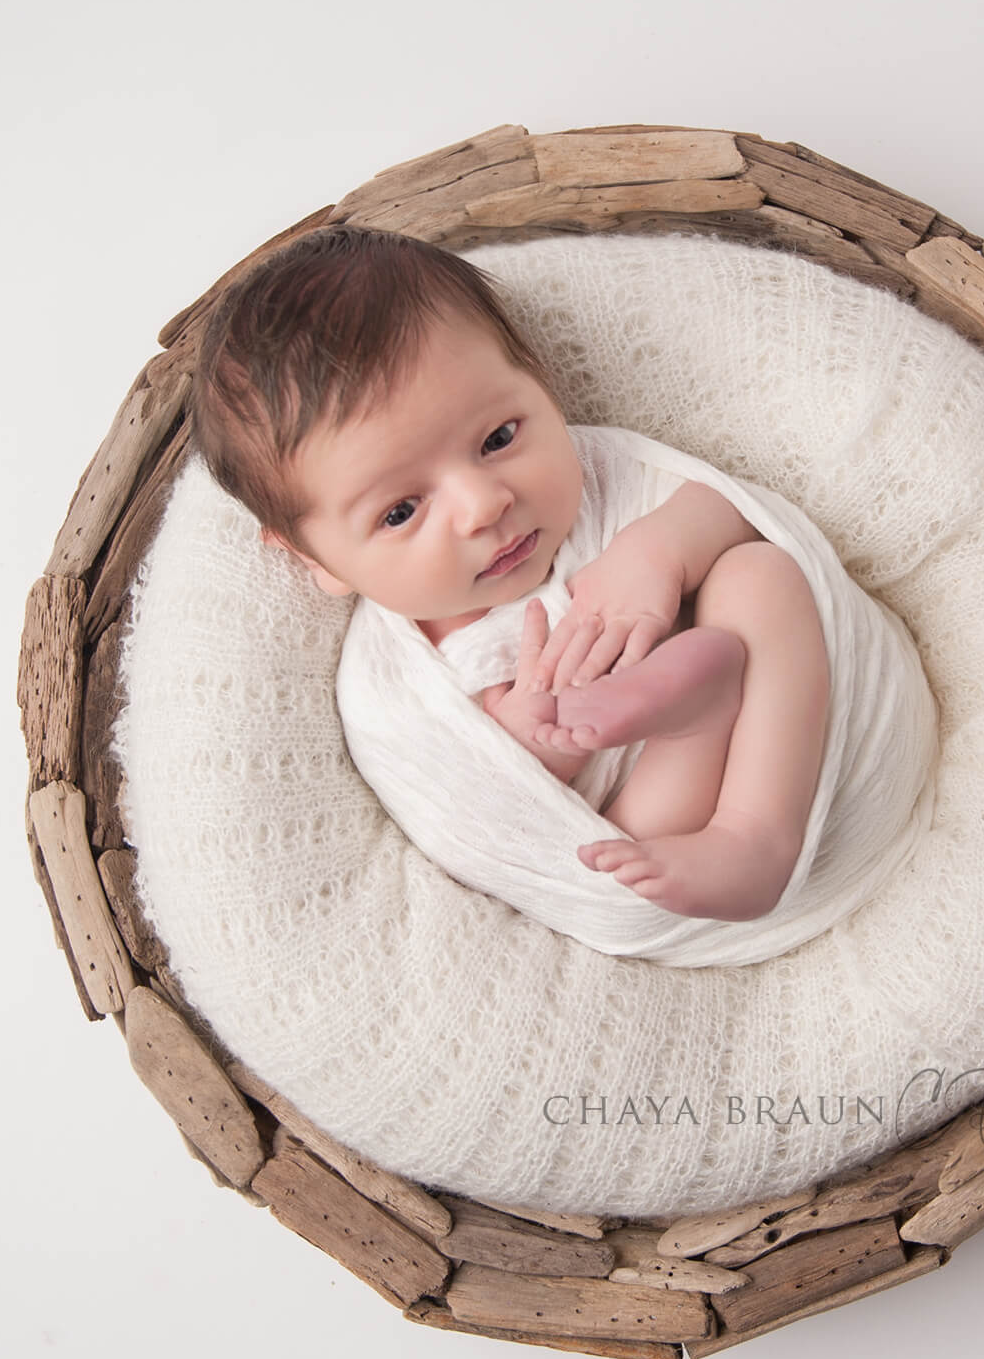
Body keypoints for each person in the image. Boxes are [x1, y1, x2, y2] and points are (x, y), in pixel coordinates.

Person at [192, 226, 830, 922]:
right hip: (654, 821)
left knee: (760, 574)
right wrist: (536, 738)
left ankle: (754, 836)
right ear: (314, 558)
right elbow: (476, 815)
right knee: (625, 850)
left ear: (539, 381)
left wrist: (659, 550)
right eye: (402, 511)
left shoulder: (597, 480)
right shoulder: (395, 687)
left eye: (498, 438)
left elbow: (737, 508)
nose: (483, 504)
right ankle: (694, 719)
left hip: (782, 751)